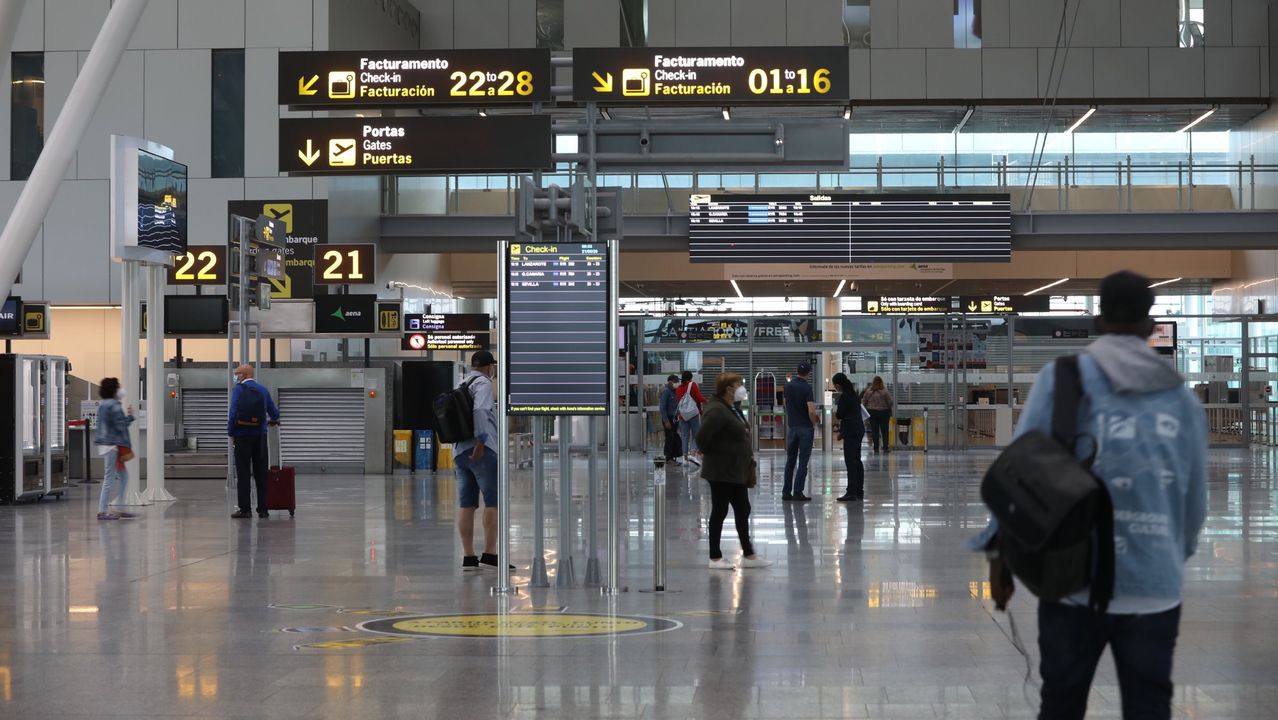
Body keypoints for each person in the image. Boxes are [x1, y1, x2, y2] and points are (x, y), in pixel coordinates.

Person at [971, 270, 1208, 720]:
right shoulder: (1182, 401)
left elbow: (1018, 471)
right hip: (1154, 586)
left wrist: (999, 552)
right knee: (1150, 707)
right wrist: (1169, 553)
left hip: (1070, 576)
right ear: (1149, 325)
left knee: (1061, 704)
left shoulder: (1062, 380)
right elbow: (1194, 502)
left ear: (1098, 321)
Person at [696, 372, 772, 570]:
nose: (742, 388)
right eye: (738, 384)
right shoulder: (716, 410)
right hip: (722, 470)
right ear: (729, 389)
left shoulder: (730, 408)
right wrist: (714, 453)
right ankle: (715, 557)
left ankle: (748, 553)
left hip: (734, 470)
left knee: (742, 508)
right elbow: (702, 437)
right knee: (720, 511)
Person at [455, 351, 510, 571]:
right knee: (493, 502)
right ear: (490, 367)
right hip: (481, 450)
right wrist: (480, 443)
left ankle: (469, 556)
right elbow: (480, 410)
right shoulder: (484, 384)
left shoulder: (462, 382)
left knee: (466, 504)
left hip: (459, 451)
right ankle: (489, 553)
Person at [227, 364, 280, 519]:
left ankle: (245, 510)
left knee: (243, 473)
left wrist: (231, 432)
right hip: (260, 437)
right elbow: (274, 413)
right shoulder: (262, 390)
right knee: (261, 473)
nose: (235, 376)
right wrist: (269, 421)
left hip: (242, 436)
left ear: (244, 375)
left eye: (237, 373)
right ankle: (263, 509)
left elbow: (233, 413)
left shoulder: (239, 390)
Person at [93, 378, 136, 521]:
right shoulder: (114, 405)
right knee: (109, 478)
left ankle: (121, 507)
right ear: (114, 390)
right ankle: (102, 511)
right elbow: (120, 425)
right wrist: (130, 416)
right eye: (118, 387)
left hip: (105, 444)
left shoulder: (103, 404)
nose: (120, 389)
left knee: (124, 477)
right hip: (112, 445)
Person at [781, 362, 818, 502]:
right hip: (805, 428)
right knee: (803, 461)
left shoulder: (788, 386)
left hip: (792, 427)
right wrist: (813, 423)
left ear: (797, 371)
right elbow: (811, 410)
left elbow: (786, 404)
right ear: (808, 373)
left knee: (790, 460)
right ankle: (797, 492)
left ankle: (786, 492)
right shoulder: (807, 388)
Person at [831, 373, 865, 502]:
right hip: (858, 429)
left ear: (838, 385)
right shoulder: (854, 395)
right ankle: (859, 491)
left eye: (835, 385)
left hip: (851, 431)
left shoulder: (844, 397)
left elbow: (840, 415)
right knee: (857, 460)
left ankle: (851, 492)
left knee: (850, 462)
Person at [675, 370, 706, 466]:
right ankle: (692, 454)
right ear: (690, 378)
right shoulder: (693, 385)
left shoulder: (678, 388)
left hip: (683, 415)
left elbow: (679, 401)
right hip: (693, 414)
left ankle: (685, 458)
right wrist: (707, 401)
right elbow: (699, 397)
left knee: (684, 435)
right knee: (696, 434)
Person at [862, 376, 894, 453]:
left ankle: (876, 448)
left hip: (872, 413)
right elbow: (890, 402)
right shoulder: (884, 391)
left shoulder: (868, 391)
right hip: (884, 413)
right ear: (881, 382)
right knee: (884, 431)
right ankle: (885, 447)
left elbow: (864, 401)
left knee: (874, 431)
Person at [658, 374, 682, 464]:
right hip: (668, 418)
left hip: (675, 418)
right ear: (670, 381)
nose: (677, 384)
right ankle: (668, 457)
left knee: (674, 437)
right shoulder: (666, 391)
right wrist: (666, 421)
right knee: (670, 438)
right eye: (675, 382)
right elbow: (662, 407)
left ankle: (673, 457)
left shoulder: (675, 391)